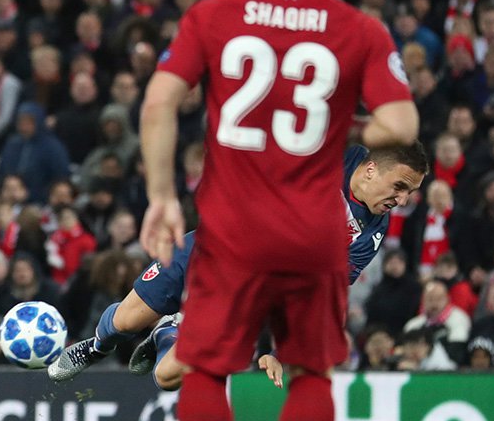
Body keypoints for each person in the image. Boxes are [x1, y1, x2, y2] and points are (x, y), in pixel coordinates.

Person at [135, 0, 419, 421]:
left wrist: (159, 195)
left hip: (233, 231)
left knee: (204, 368)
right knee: (311, 374)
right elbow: (402, 128)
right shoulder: (361, 30)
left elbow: (159, 100)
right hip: (316, 233)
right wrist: (342, 123)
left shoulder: (213, 16)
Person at [48, 144, 428, 383]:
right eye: (401, 186)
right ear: (371, 169)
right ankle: (97, 347)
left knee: (167, 377)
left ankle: (168, 333)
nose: (404, 199)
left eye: (411, 192)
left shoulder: (370, 235)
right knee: (124, 322)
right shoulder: (330, 155)